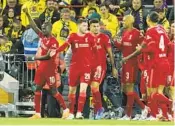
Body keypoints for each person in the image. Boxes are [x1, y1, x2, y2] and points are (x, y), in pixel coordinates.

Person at [122, 11, 172, 120]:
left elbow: (147, 47)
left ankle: (162, 109)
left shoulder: (150, 31)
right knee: (159, 92)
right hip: (165, 62)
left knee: (152, 93)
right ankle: (164, 114)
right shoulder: (162, 29)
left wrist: (141, 49)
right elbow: (168, 45)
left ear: (148, 19)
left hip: (155, 64)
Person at [23, 7, 69, 119]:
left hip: (49, 69)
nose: (42, 30)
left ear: (50, 28)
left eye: (44, 28)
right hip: (41, 69)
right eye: (42, 28)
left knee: (54, 91)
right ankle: (38, 113)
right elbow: (34, 27)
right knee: (38, 89)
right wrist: (28, 14)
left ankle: (66, 110)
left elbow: (48, 57)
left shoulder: (54, 42)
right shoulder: (43, 37)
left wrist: (37, 57)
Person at [57, 19, 95, 119]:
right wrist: (56, 51)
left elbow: (95, 51)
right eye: (83, 26)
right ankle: (71, 113)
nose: (85, 28)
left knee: (83, 90)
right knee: (72, 92)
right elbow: (65, 45)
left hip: (86, 68)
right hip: (74, 68)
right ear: (78, 26)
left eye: (86, 26)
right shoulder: (73, 36)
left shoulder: (90, 36)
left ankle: (79, 113)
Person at [114, 15, 149, 120]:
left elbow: (142, 48)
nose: (123, 22)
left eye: (124, 20)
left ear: (130, 21)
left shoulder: (137, 33)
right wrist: (116, 42)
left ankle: (129, 114)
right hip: (125, 62)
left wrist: (128, 57)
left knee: (129, 87)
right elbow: (122, 47)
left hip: (132, 63)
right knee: (125, 88)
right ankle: (144, 107)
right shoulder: (124, 32)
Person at [89, 19, 118, 120]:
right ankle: (98, 111)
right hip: (89, 67)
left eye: (97, 26)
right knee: (94, 90)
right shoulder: (87, 37)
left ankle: (100, 109)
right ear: (90, 27)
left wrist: (114, 68)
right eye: (94, 26)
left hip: (100, 66)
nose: (96, 28)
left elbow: (110, 53)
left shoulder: (104, 37)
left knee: (95, 87)